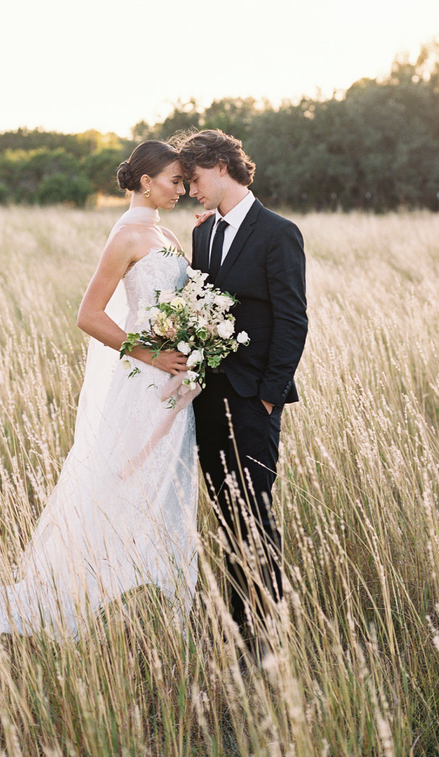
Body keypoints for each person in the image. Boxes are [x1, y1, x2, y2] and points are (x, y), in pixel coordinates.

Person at [0, 141, 199, 639]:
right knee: (125, 479)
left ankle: (157, 587)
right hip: (143, 378)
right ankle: (99, 583)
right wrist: (152, 354)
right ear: (146, 180)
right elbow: (88, 316)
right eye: (176, 180)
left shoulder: (167, 232)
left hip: (174, 383)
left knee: (165, 483)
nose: (183, 188)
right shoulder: (127, 236)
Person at [176, 129, 308, 650]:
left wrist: (270, 394)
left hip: (255, 399)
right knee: (225, 511)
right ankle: (236, 624)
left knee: (254, 512)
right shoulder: (203, 233)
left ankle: (270, 632)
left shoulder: (279, 232)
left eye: (194, 179)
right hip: (208, 397)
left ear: (220, 166)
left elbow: (293, 319)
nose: (190, 191)